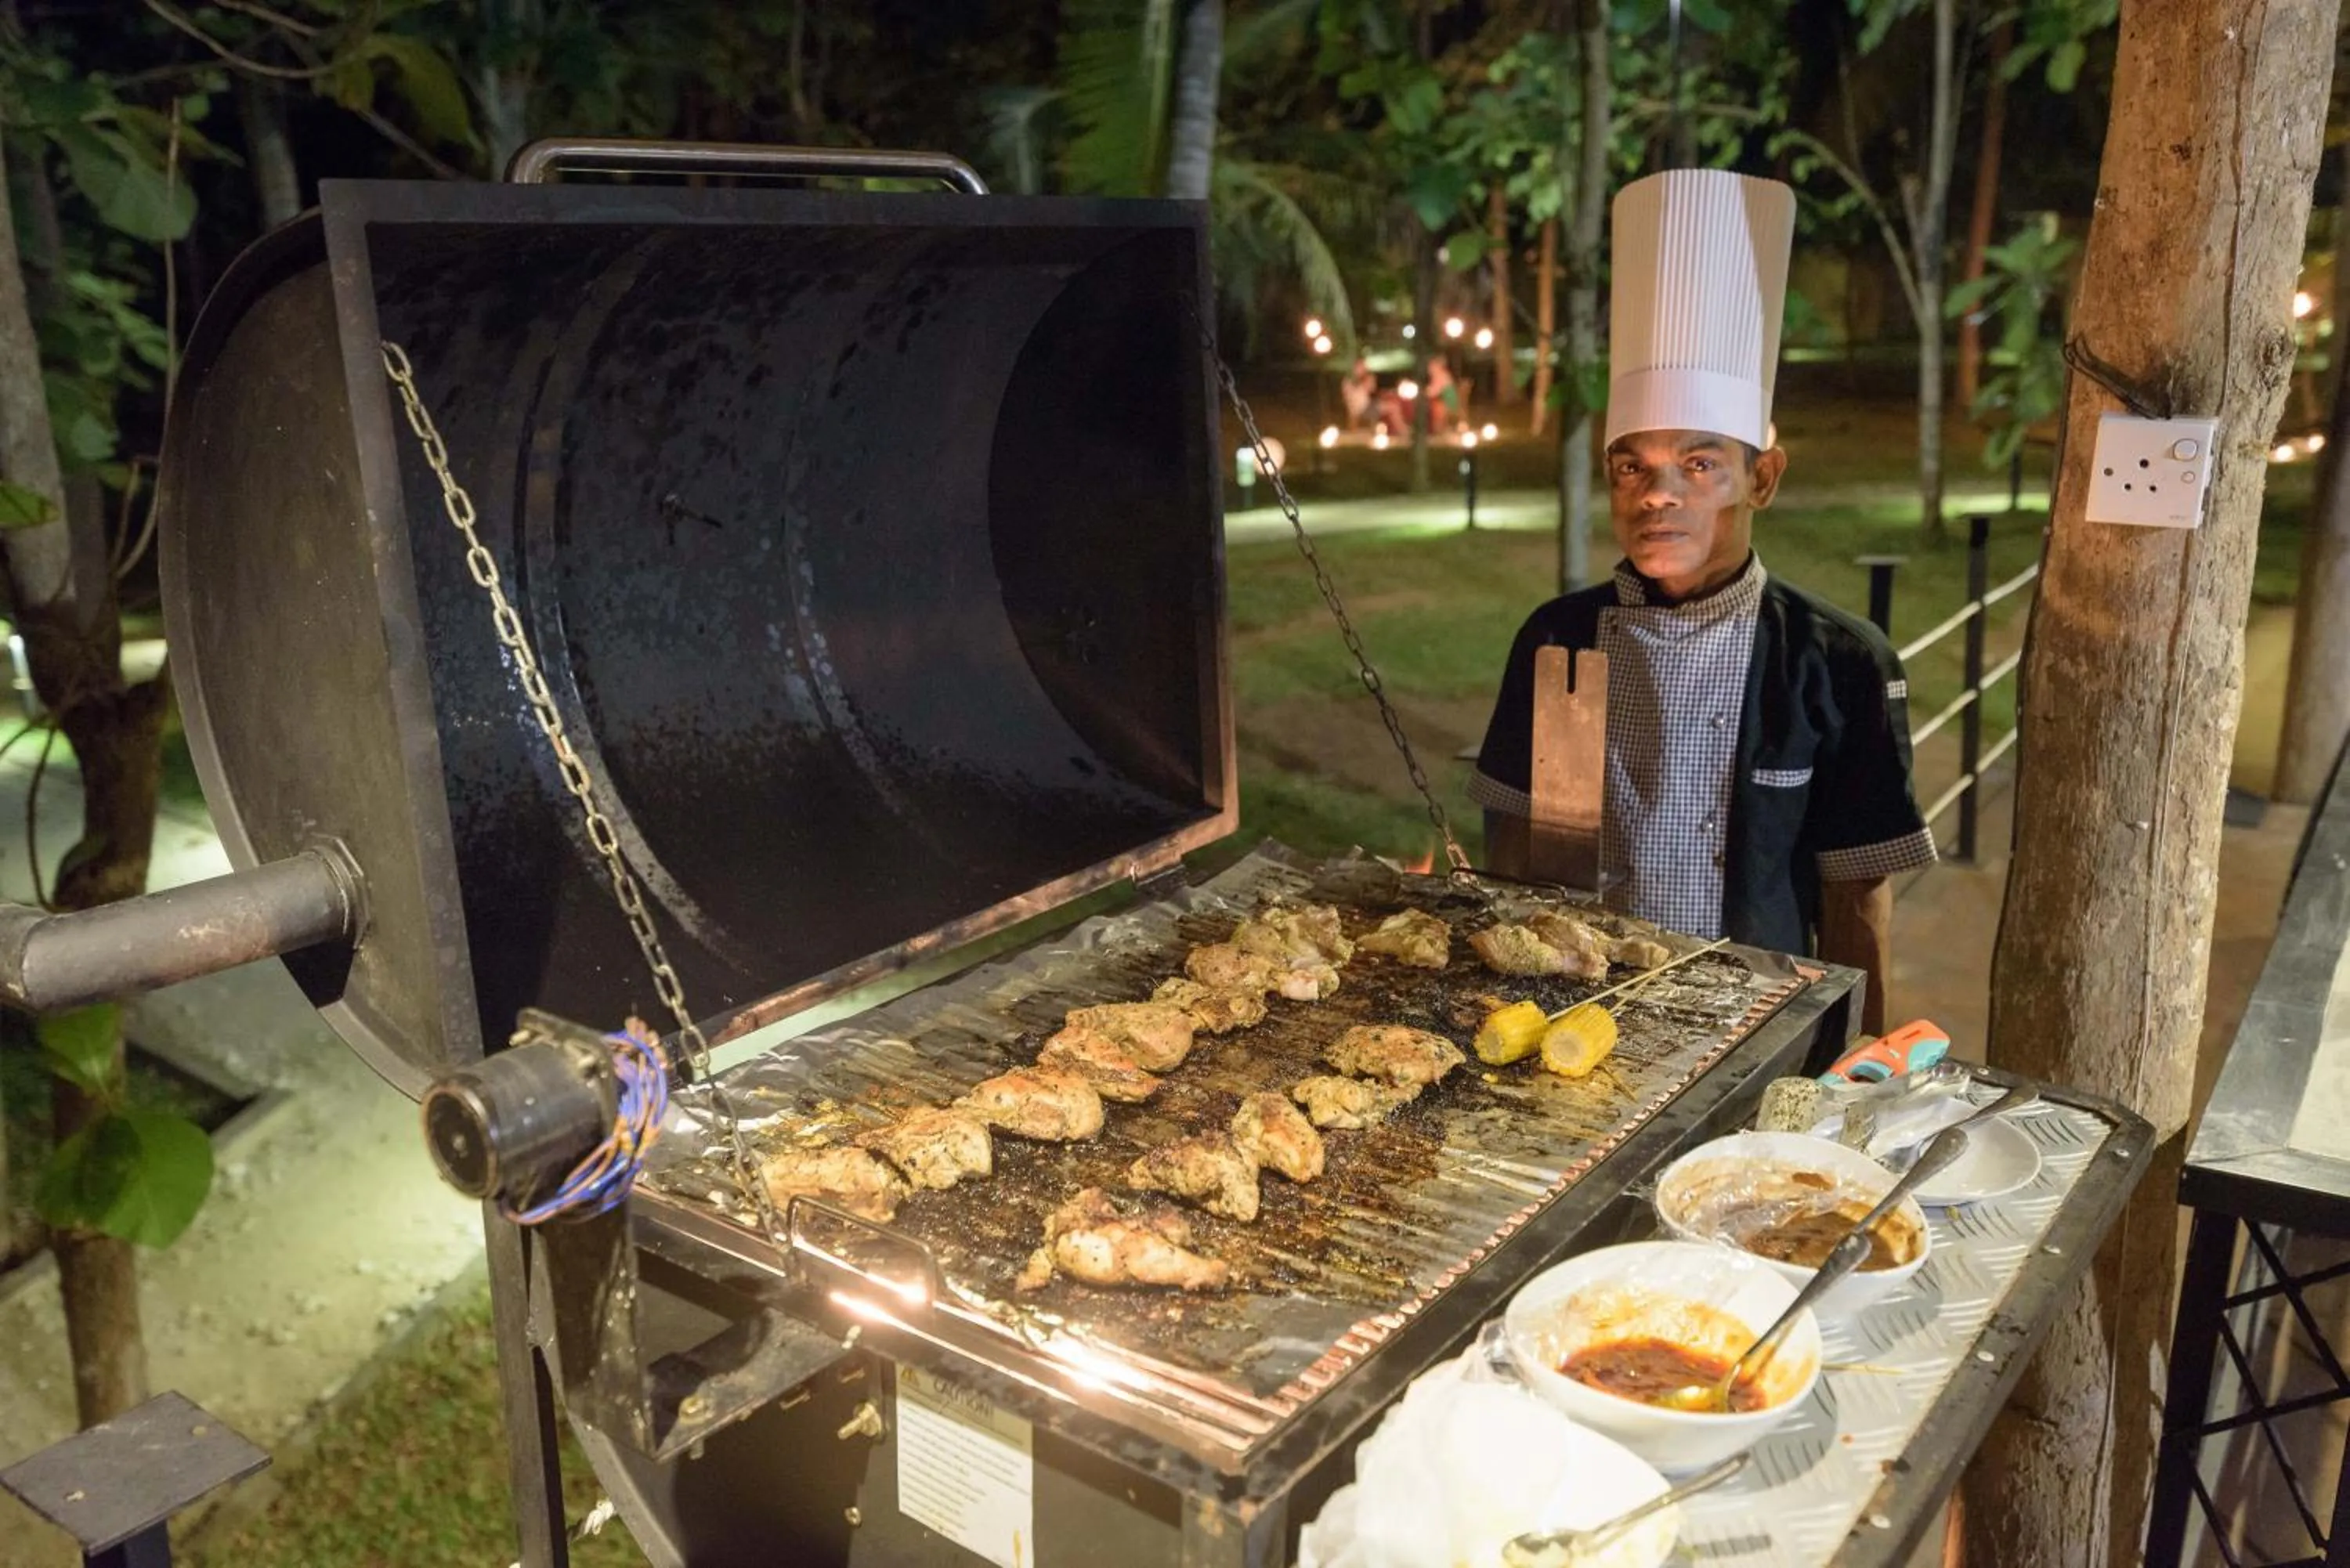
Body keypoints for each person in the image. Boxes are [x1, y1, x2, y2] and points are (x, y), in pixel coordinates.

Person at [1468, 169, 1933, 1033]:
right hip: (1580, 1015)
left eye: (1699, 463)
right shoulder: (1557, 638)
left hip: (1756, 1025)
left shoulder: (1837, 662)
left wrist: (1859, 1065)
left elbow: (1857, 900)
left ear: (1763, 478)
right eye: (1632, 465)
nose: (1657, 493)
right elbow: (1514, 857)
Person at [1342, 358, 1378, 429]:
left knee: (1392, 404)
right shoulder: (1348, 381)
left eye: (1364, 367)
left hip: (1367, 404)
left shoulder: (1367, 378)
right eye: (1361, 367)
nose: (1364, 369)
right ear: (1355, 368)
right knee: (1392, 407)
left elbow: (1372, 389)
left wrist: (1370, 382)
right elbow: (1348, 396)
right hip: (1359, 408)